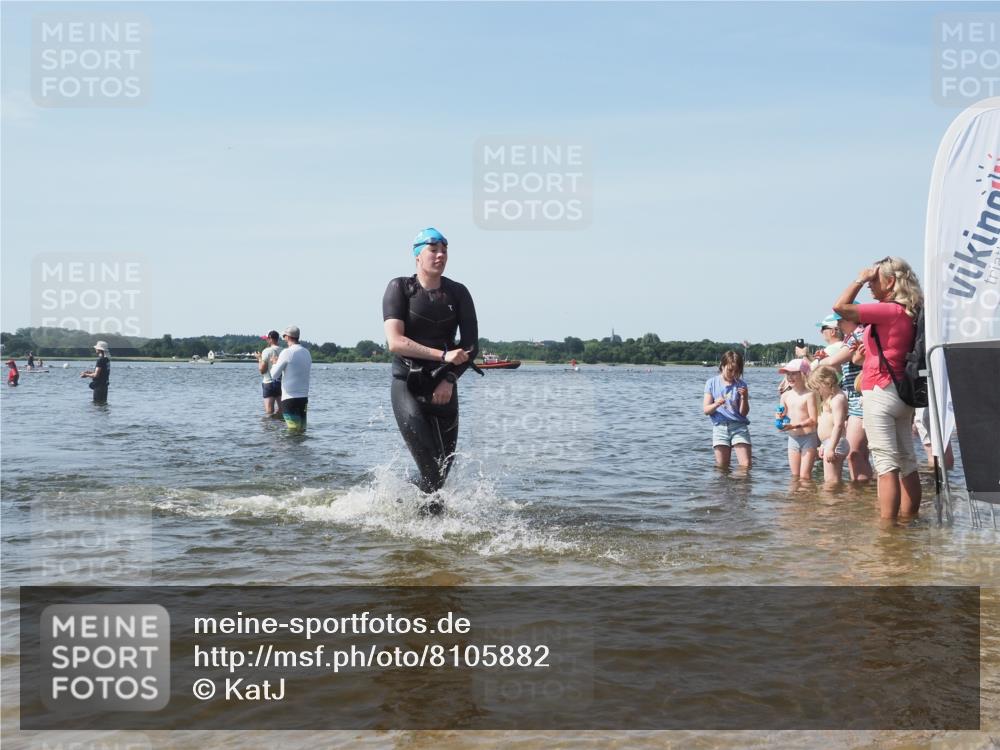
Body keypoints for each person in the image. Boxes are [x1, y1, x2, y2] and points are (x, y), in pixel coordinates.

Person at [383, 227, 479, 513]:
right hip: (408, 386)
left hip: (444, 387)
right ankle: (426, 533)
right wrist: (443, 355)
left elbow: (472, 346)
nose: (440, 255)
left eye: (444, 251)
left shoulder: (458, 292)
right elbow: (395, 342)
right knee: (430, 468)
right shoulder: (399, 288)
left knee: (442, 471)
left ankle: (410, 511)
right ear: (417, 256)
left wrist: (449, 377)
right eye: (433, 250)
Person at [834, 256, 923, 520]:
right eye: (869, 281)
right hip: (901, 393)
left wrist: (859, 279)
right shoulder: (910, 311)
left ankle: (888, 534)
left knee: (886, 464)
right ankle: (909, 524)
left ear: (891, 281)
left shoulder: (889, 310)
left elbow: (840, 307)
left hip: (881, 391)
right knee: (907, 460)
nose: (871, 286)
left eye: (875, 281)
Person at [816, 312, 873, 482]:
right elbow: (842, 368)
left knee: (855, 454)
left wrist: (821, 362)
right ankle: (863, 495)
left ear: (851, 318)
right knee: (859, 454)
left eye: (840, 320)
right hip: (856, 398)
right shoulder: (852, 336)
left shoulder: (858, 334)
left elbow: (834, 362)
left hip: (859, 399)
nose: (839, 324)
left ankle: (860, 494)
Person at [702, 350, 751, 470]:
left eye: (737, 371)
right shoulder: (711, 383)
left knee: (746, 465)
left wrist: (744, 397)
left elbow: (743, 413)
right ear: (722, 366)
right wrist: (716, 404)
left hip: (739, 427)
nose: (733, 374)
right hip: (720, 427)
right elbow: (706, 410)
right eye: (730, 370)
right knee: (722, 468)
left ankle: (742, 487)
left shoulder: (741, 385)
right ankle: (724, 488)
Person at [777, 358, 818, 479]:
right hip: (792, 438)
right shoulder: (785, 395)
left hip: (808, 438)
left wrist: (794, 426)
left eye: (794, 373)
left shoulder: (809, 395)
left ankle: (806, 497)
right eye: (788, 374)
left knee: (805, 476)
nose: (790, 377)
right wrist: (779, 419)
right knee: (795, 476)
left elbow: (813, 420)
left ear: (804, 374)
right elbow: (780, 413)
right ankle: (795, 498)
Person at [808, 365, 848, 484]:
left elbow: (838, 425)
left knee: (831, 481)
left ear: (827, 382)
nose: (817, 391)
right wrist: (823, 446)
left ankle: (833, 502)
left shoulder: (837, 400)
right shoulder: (830, 398)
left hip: (835, 443)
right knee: (829, 479)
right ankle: (833, 500)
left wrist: (830, 447)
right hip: (829, 442)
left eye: (818, 388)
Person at [269, 326, 311, 431]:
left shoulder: (286, 352)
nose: (283, 338)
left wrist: (274, 363)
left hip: (290, 399)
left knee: (293, 432)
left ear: (287, 337)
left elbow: (274, 375)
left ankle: (291, 448)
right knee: (302, 429)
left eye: (284, 336)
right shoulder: (307, 352)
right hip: (304, 398)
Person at [255, 330, 283, 417]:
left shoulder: (266, 351)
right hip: (281, 383)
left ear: (270, 339)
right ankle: (279, 426)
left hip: (268, 383)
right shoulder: (284, 351)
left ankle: (270, 428)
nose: (266, 341)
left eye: (267, 339)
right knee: (282, 409)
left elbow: (262, 370)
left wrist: (259, 359)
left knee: (269, 411)